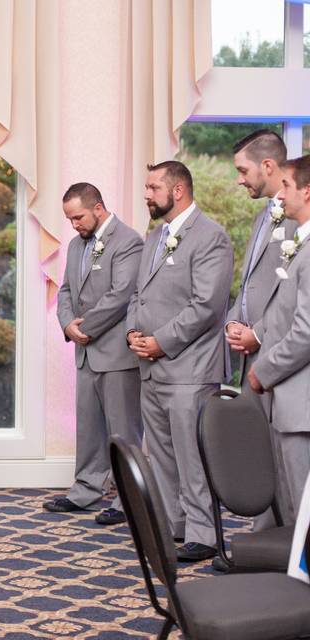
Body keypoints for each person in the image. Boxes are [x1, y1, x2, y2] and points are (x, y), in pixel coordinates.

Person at [126, 161, 233, 562]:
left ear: (178, 191)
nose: (146, 194)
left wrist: (161, 342)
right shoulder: (155, 237)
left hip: (190, 369)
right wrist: (133, 332)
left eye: (153, 187)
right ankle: (176, 526)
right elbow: (139, 294)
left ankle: (205, 534)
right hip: (150, 367)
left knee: (193, 455)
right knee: (163, 454)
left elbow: (206, 305)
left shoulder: (211, 237)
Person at [47, 182, 143, 526]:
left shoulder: (128, 241)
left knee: (123, 430)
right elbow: (67, 289)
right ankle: (86, 489)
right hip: (85, 353)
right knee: (88, 426)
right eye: (69, 219)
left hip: (116, 354)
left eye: (78, 217)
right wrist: (67, 324)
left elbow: (122, 295)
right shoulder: (75, 246)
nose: (74, 225)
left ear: (98, 208)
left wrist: (85, 328)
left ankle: (128, 499)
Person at [225, 129, 298, 529]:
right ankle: (264, 538)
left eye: (243, 170)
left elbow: (291, 299)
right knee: (261, 452)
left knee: (288, 461)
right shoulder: (261, 216)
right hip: (253, 349)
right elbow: (252, 281)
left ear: (268, 165)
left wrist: (260, 334)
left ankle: (285, 548)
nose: (239, 179)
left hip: (280, 353)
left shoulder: (297, 223)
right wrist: (236, 321)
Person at [249, 155, 310, 521]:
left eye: (286, 186)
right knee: (292, 507)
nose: (280, 194)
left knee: (303, 507)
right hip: (291, 401)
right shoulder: (300, 245)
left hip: (302, 404)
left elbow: (306, 331)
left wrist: (263, 371)